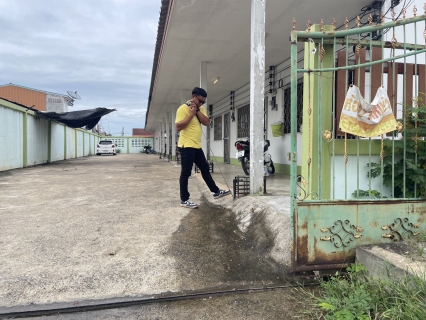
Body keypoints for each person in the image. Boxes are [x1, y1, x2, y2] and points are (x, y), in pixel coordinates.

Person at [175, 87, 230, 208]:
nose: (202, 103)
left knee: (205, 168)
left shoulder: (201, 108)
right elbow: (179, 127)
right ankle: (184, 199)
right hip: (186, 146)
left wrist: (198, 109)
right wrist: (191, 114)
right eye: (200, 101)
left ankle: (216, 191)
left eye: (204, 102)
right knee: (186, 173)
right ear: (193, 97)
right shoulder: (182, 108)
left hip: (196, 146)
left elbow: (206, 122)